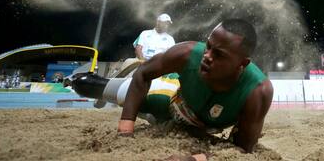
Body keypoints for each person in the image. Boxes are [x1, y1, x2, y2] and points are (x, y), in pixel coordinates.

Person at [72, 19, 273, 160]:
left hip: (199, 130)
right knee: (90, 86)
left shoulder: (257, 91)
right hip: (170, 101)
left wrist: (196, 159)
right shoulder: (187, 52)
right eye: (208, 46)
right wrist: (126, 129)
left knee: (159, 120)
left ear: (242, 63)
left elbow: (242, 150)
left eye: (218, 54)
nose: (207, 56)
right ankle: (79, 80)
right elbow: (143, 73)